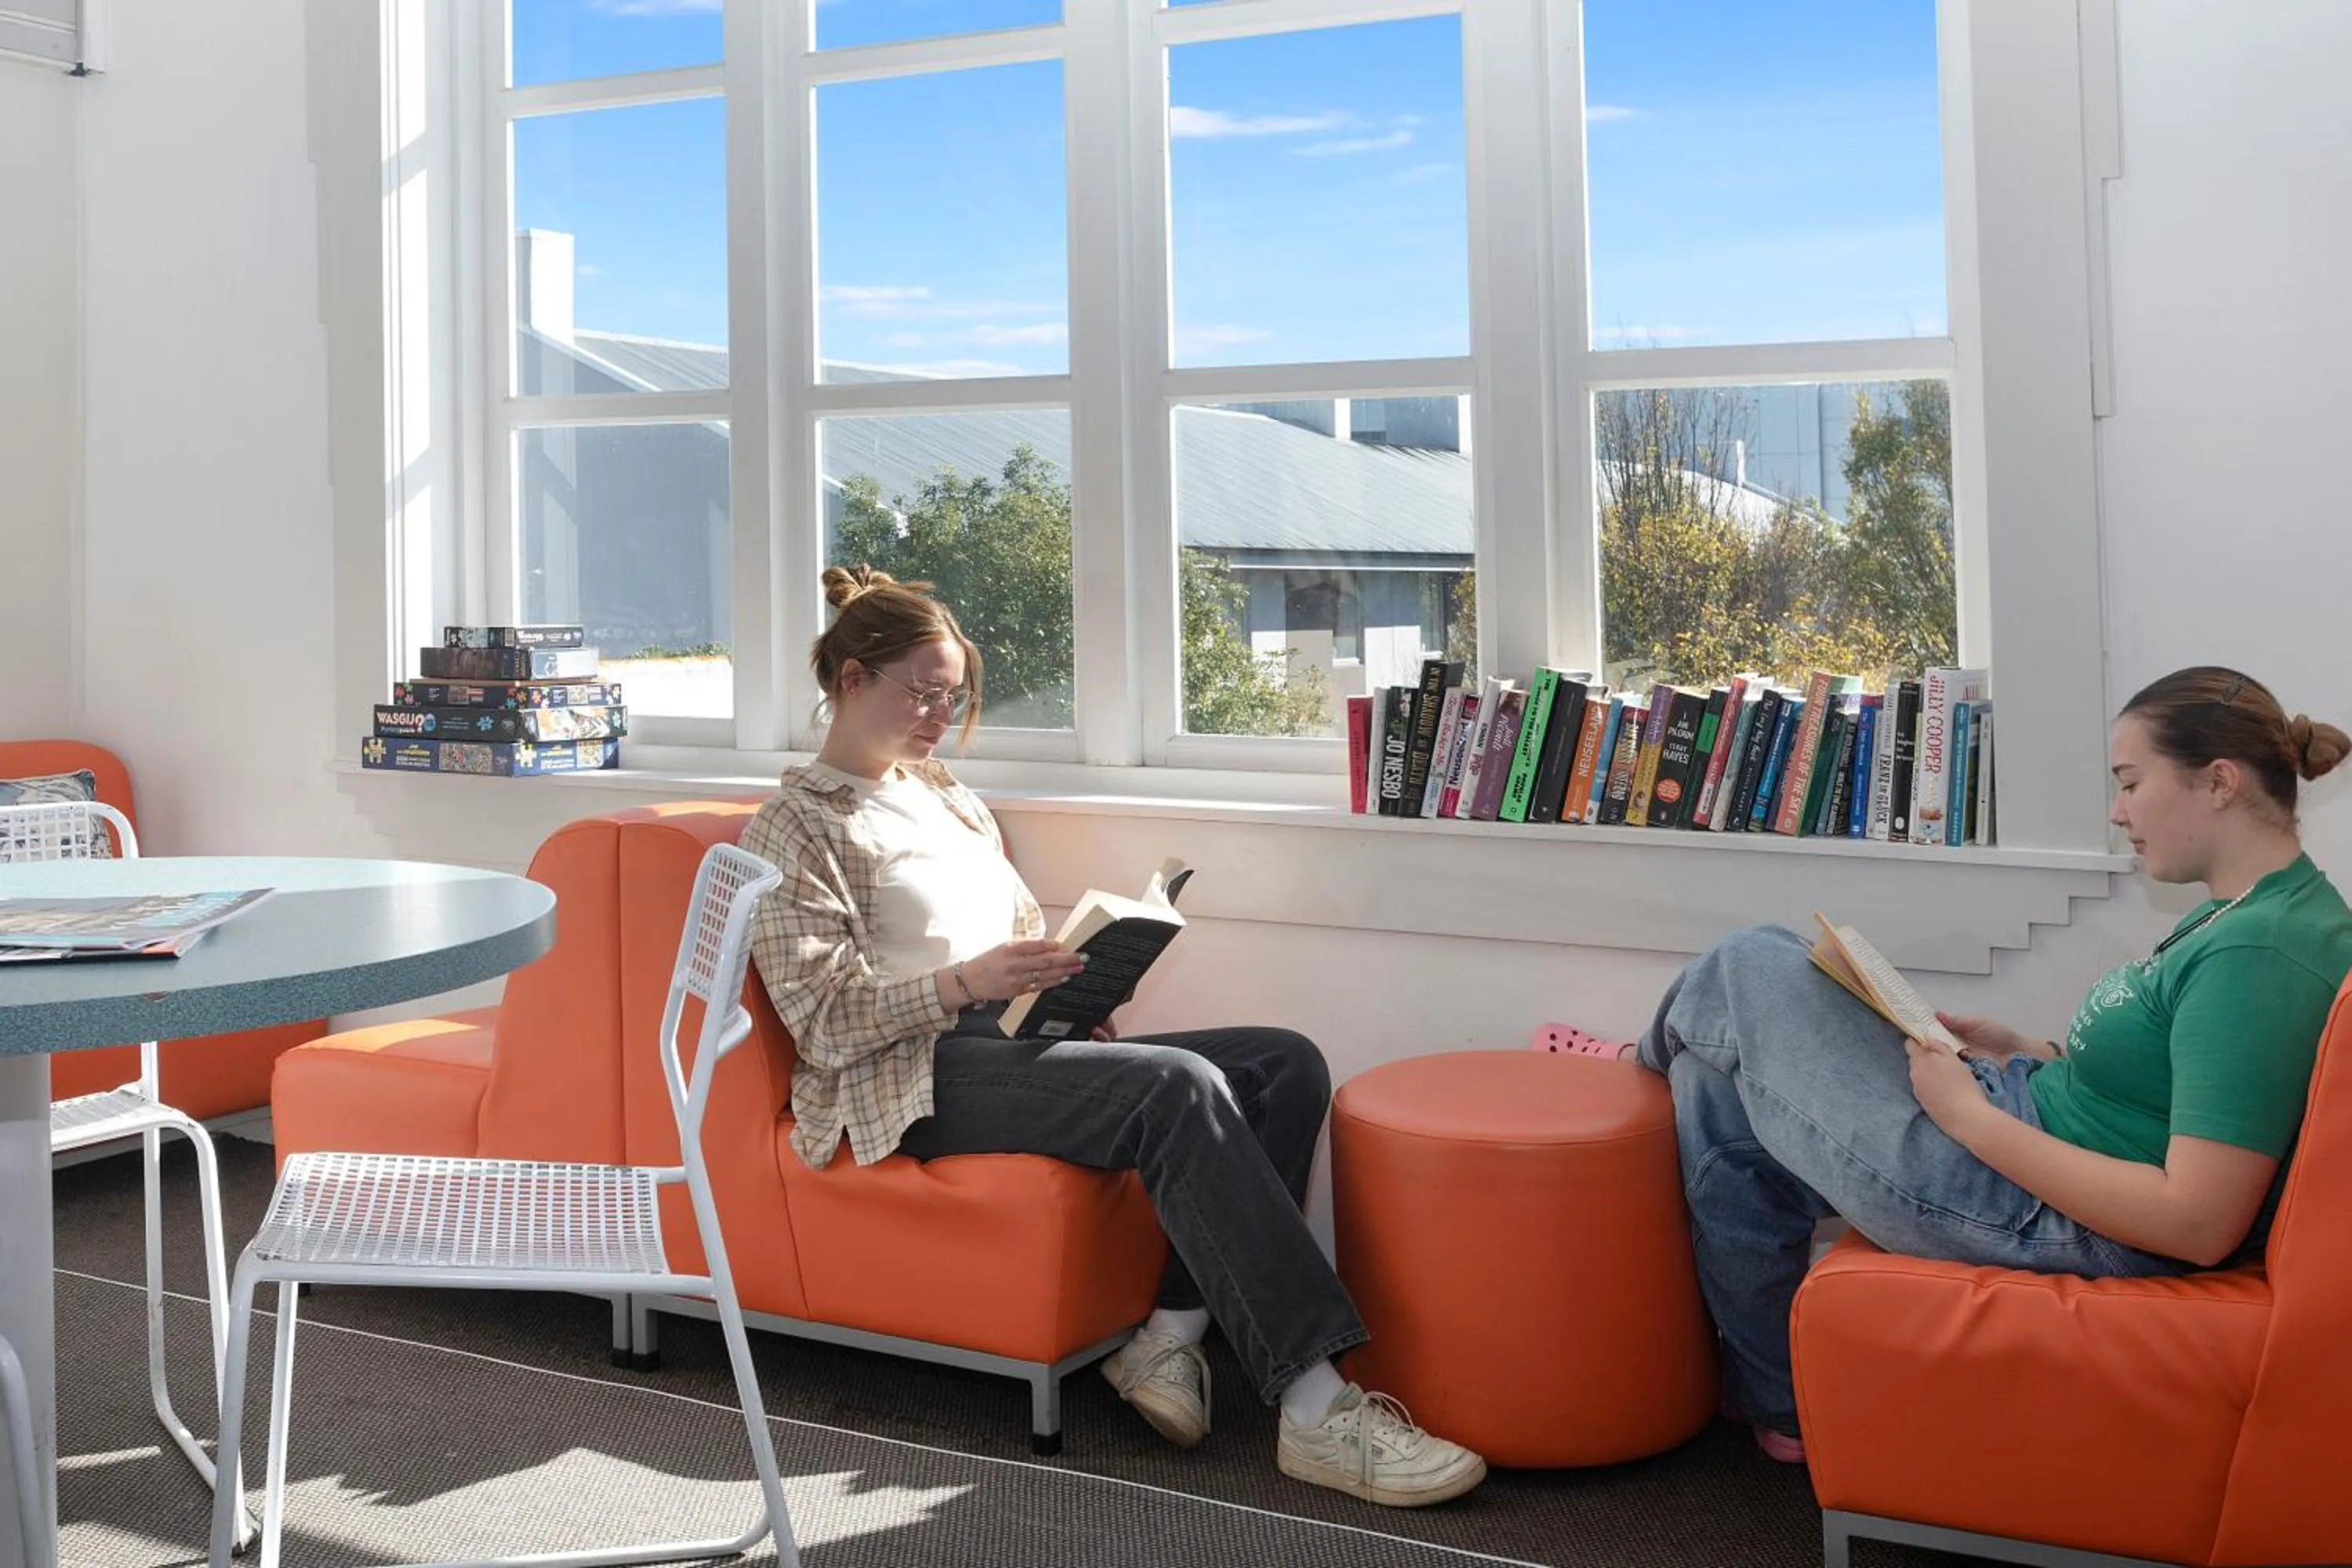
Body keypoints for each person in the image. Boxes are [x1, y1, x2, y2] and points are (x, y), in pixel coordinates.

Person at [737, 564, 1487, 1508]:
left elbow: (1012, 928)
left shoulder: (947, 796)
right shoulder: (792, 826)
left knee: (1280, 1061)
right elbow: (823, 1019)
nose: (939, 714)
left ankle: (1167, 1339)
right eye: (921, 693)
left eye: (954, 696)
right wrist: (967, 982)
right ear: (850, 679)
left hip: (1003, 1040)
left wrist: (1072, 985)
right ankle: (1315, 1407)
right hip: (905, 1076)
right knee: (1172, 1085)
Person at [1570, 666, 2352, 1465]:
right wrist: (2017, 1046)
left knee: (1747, 961)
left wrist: (1967, 1117)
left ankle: (1631, 1068)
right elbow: (2167, 1085)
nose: (2119, 812)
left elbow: (2196, 1219)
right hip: (2023, 1122)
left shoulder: (2262, 950)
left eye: (2130, 782)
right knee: (1722, 1089)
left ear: (2216, 781)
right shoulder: (2249, 914)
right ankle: (1783, 1408)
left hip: (2037, 1206)